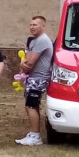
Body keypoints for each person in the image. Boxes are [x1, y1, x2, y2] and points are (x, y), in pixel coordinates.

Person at [16, 15, 54, 147]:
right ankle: (33, 134)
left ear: (43, 26)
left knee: (31, 105)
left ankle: (36, 136)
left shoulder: (42, 40)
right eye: (30, 25)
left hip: (38, 78)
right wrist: (24, 65)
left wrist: (23, 65)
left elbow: (29, 63)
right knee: (31, 105)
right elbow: (26, 60)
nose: (32, 27)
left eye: (35, 25)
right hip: (32, 78)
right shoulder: (33, 41)